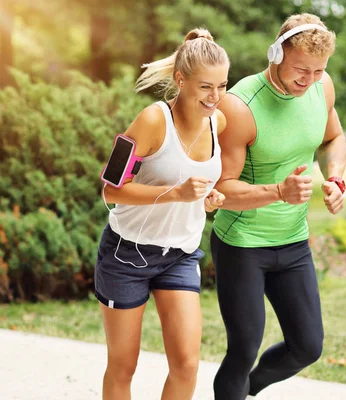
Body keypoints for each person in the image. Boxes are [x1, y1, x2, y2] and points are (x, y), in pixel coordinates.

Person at [211, 13, 346, 400]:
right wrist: (277, 192)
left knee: (307, 346)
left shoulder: (322, 88)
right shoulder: (239, 105)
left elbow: (333, 137)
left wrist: (335, 178)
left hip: (292, 242)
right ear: (275, 54)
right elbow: (221, 188)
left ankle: (243, 390)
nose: (309, 79)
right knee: (243, 347)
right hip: (242, 243)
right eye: (301, 69)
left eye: (318, 71)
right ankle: (234, 388)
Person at [94, 28, 229, 400]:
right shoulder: (153, 121)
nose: (215, 97)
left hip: (180, 256)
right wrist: (174, 193)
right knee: (124, 365)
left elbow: (197, 188)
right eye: (205, 87)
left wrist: (207, 197)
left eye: (221, 86)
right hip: (127, 253)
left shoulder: (218, 123)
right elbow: (110, 187)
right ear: (180, 79)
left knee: (186, 365)